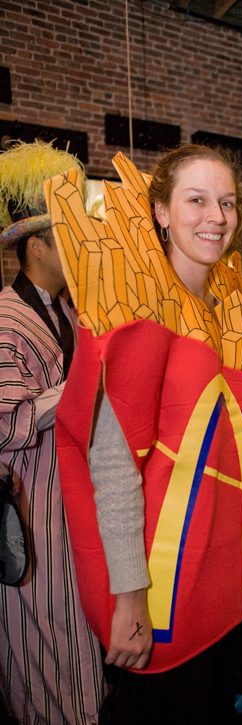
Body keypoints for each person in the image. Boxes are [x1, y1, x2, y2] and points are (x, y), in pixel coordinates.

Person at [44, 145, 242, 723]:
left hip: (224, 589)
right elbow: (113, 466)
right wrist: (129, 597)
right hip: (161, 593)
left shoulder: (228, 307)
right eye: (196, 200)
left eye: (226, 202)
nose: (216, 216)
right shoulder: (136, 303)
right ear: (162, 213)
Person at [0, 141, 105, 724]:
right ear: (37, 245)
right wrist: (87, 379)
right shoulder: (5, 317)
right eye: (68, 235)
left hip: (71, 515)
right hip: (32, 521)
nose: (81, 248)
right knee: (38, 658)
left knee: (77, 649)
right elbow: (5, 423)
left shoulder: (66, 313)